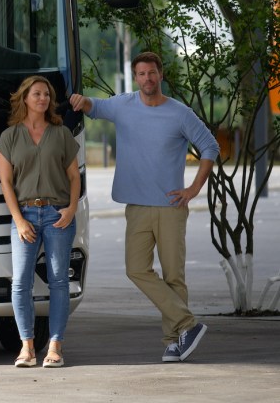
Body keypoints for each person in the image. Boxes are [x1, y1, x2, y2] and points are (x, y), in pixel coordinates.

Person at [70, 51, 219, 363]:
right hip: (136, 206)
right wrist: (77, 100)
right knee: (136, 268)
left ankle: (174, 342)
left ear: (160, 75)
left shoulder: (179, 113)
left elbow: (210, 146)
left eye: (152, 73)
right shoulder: (123, 105)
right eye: (141, 74)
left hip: (170, 207)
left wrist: (193, 189)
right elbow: (93, 106)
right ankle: (188, 324)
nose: (147, 79)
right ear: (135, 77)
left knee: (174, 275)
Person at [0, 76, 80, 368]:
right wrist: (18, 220)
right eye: (37, 94)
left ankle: (55, 346)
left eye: (47, 94)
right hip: (26, 216)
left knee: (58, 281)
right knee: (20, 282)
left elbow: (73, 177)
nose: (43, 98)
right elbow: (6, 183)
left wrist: (71, 210)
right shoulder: (9, 137)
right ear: (25, 98)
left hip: (58, 215)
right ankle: (27, 347)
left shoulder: (61, 134)